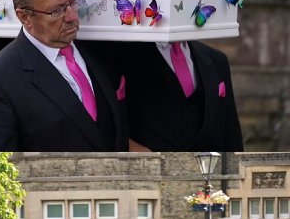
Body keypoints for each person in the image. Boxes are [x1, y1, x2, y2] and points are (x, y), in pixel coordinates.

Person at [0, 0, 128, 150]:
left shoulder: (100, 53)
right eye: (57, 10)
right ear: (25, 17)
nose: (72, 16)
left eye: (73, 2)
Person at [104, 40, 243, 151]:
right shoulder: (120, 55)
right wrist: (130, 147)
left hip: (208, 181)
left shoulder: (217, 60)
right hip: (150, 178)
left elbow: (231, 138)